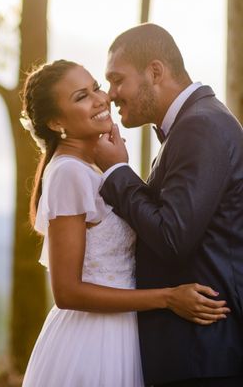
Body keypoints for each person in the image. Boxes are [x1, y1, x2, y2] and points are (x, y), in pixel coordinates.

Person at [19, 59, 228, 387]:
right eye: (81, 97)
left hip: (124, 334)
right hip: (91, 343)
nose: (101, 99)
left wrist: (119, 167)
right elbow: (67, 292)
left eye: (95, 88)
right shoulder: (68, 173)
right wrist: (168, 297)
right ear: (56, 122)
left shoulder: (95, 168)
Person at [94, 23, 243, 386]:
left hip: (202, 358)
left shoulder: (200, 127)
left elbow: (172, 236)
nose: (111, 95)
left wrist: (116, 171)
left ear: (155, 71)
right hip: (196, 356)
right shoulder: (195, 124)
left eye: (117, 80)